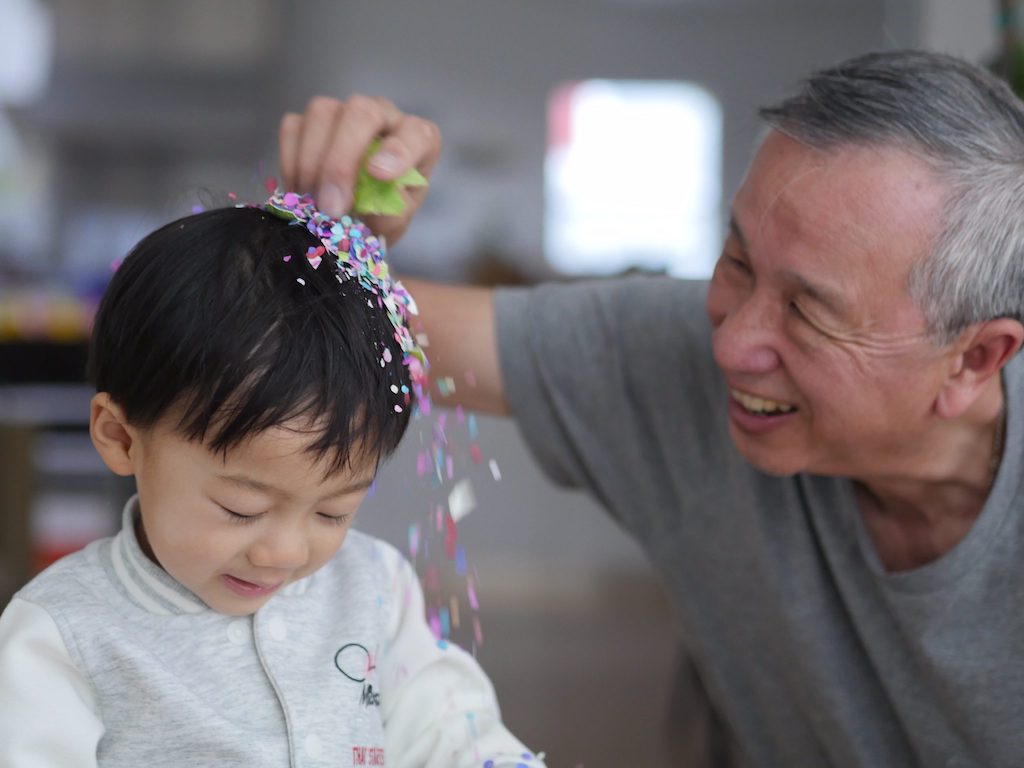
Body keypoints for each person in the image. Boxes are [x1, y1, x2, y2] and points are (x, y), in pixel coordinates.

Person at [277, 50, 1024, 767]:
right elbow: (350, 326)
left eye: (809, 312)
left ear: (975, 359)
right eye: (735, 262)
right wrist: (332, 228)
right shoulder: (678, 358)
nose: (732, 345)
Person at [0, 193, 545, 768]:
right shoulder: (61, 632)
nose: (284, 552)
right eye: (241, 508)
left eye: (333, 512)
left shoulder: (375, 588)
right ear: (122, 437)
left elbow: (451, 734)